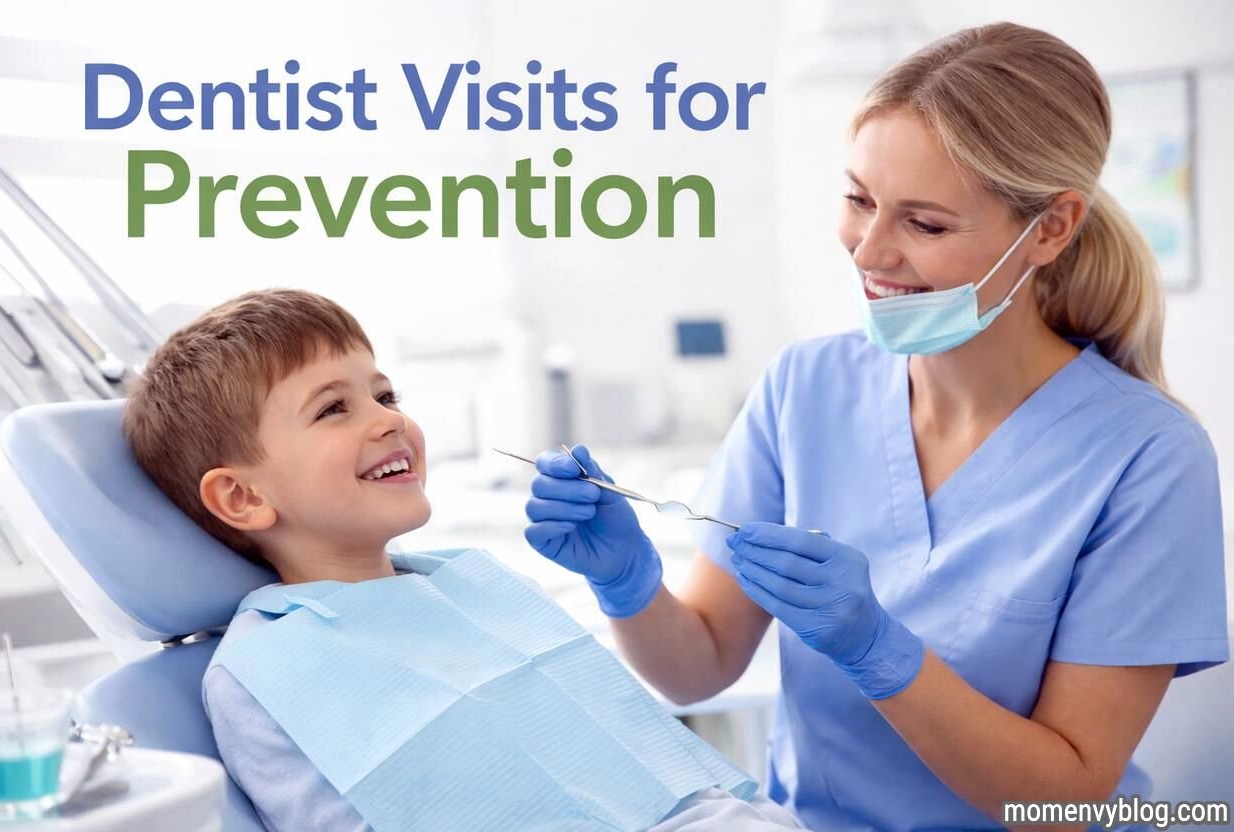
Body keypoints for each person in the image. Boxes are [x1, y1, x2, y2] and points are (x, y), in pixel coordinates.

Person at [523, 22, 1228, 832]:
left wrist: (879, 653)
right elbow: (698, 667)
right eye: (858, 199)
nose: (870, 249)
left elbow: (1063, 799)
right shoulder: (806, 388)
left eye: (925, 224)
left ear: (1050, 228)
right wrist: (626, 582)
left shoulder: (1146, 457)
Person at [123, 288, 803, 832]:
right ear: (241, 496)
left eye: (385, 395)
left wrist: (627, 584)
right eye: (334, 409)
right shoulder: (266, 667)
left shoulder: (466, 583)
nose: (389, 419)